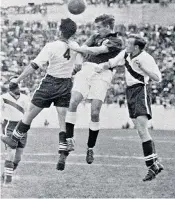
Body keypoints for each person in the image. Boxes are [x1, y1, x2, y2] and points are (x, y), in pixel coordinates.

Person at [1, 18, 81, 171]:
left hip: (50, 83)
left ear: (60, 30)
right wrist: (69, 72)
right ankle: (62, 152)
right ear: (73, 33)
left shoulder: (51, 46)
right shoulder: (76, 46)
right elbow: (78, 66)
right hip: (66, 84)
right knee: (62, 121)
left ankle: (13, 139)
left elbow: (35, 65)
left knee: (29, 115)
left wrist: (17, 79)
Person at [95, 34, 164, 181]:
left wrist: (144, 68)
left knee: (142, 130)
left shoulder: (146, 58)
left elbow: (158, 78)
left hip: (141, 90)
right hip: (130, 92)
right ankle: (155, 162)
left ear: (137, 47)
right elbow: (112, 62)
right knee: (140, 131)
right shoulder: (125, 54)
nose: (126, 45)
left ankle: (152, 165)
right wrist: (100, 67)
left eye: (129, 43)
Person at [64, 14, 123, 169]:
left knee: (95, 112)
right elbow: (82, 51)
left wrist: (76, 47)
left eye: (99, 27)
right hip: (87, 69)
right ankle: (69, 139)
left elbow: (99, 50)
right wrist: (78, 62)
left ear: (108, 27)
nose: (97, 30)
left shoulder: (117, 40)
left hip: (103, 73)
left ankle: (90, 148)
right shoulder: (94, 36)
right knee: (73, 101)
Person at [1, 80, 29, 185]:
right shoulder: (3, 97)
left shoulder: (25, 98)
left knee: (18, 157)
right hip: (9, 125)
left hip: (22, 126)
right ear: (11, 88)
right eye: (15, 87)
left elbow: (28, 111)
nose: (18, 88)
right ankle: (8, 180)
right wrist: (2, 119)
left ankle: (6, 173)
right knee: (11, 150)